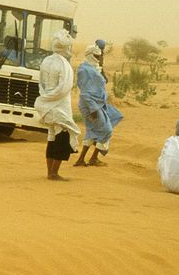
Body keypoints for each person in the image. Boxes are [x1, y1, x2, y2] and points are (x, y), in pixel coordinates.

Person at [33, 29, 80, 180]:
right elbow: (64, 88)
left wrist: (45, 98)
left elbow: (41, 84)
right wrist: (52, 99)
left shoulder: (46, 61)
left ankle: (50, 172)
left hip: (46, 104)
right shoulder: (64, 65)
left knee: (51, 136)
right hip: (59, 106)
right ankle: (54, 173)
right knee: (62, 136)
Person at [74, 44, 123, 167]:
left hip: (99, 103)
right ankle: (94, 157)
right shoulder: (84, 70)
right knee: (106, 130)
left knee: (110, 120)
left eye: (99, 56)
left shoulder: (94, 68)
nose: (98, 58)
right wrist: (93, 108)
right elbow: (85, 92)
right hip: (90, 105)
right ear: (90, 55)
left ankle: (83, 159)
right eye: (96, 56)